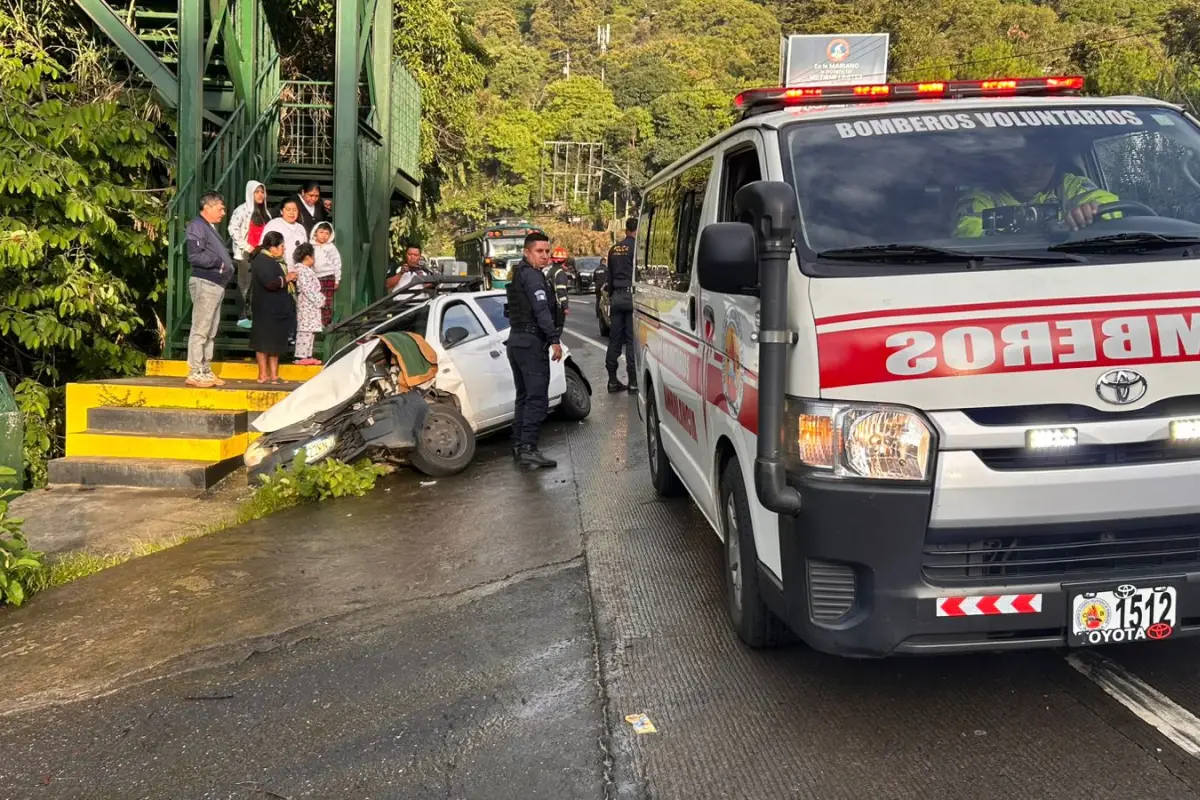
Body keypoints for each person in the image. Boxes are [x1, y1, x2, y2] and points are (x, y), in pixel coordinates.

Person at [953, 149, 1119, 238]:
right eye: (1027, 164)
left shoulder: (1068, 185)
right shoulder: (983, 196)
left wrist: (1092, 211)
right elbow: (966, 230)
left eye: (1046, 164)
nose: (1035, 172)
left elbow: (1108, 204)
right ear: (1007, 166)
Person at [506, 231, 563, 469]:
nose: (545, 256)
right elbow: (541, 310)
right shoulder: (533, 277)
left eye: (547, 251)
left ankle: (520, 445)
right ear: (527, 252)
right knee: (537, 398)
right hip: (530, 341)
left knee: (524, 396)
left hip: (516, 340)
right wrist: (554, 339)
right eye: (539, 252)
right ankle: (528, 447)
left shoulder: (519, 273)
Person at [185, 191, 235, 388]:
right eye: (221, 208)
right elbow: (195, 256)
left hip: (216, 283)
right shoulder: (197, 225)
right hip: (206, 281)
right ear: (208, 207)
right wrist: (218, 263)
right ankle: (195, 371)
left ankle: (205, 369)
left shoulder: (209, 227)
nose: (223, 212)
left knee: (211, 330)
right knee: (201, 328)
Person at [249, 231, 298, 384]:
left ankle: (274, 374)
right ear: (272, 247)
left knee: (275, 342)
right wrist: (286, 278)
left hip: (277, 307)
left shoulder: (275, 260)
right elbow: (269, 282)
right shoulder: (262, 260)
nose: (284, 249)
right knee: (263, 342)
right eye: (281, 246)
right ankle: (263, 374)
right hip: (265, 307)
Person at [227, 180, 272, 329]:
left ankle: (255, 314)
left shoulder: (266, 212)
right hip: (246, 253)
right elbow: (232, 229)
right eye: (257, 192)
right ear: (250, 193)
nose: (260, 195)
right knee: (244, 284)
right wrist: (246, 246)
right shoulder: (242, 210)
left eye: (262, 192)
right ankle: (242, 316)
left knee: (257, 285)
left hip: (261, 253)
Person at [603, 217, 638, 394]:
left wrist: (610, 296)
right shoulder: (637, 248)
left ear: (626, 230)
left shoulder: (614, 249)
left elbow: (608, 276)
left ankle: (612, 380)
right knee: (631, 340)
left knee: (615, 339)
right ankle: (633, 381)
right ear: (637, 230)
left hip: (616, 296)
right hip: (632, 296)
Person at [291, 243, 325, 366]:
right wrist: (319, 300)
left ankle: (307, 355)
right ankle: (300, 356)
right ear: (308, 257)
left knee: (310, 331)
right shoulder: (302, 271)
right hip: (307, 304)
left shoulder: (305, 270)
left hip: (310, 305)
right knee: (305, 331)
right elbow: (307, 289)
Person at [261, 199, 309, 270]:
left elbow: (305, 249)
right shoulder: (274, 224)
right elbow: (264, 246)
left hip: (298, 270)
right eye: (288, 209)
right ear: (281, 211)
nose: (291, 213)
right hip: (278, 268)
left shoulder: (300, 228)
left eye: (294, 210)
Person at [310, 221, 342, 327]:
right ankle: (316, 322)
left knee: (326, 302)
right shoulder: (311, 246)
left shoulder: (331, 247)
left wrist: (337, 279)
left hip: (328, 276)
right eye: (321, 232)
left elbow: (337, 263)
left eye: (327, 233)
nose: (324, 236)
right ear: (315, 233)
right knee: (315, 300)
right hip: (314, 277)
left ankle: (326, 323)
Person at [546, 249, 572, 320]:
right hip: (558, 306)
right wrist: (565, 307)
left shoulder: (550, 271)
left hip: (549, 304)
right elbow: (560, 291)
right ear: (564, 262)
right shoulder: (561, 274)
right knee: (558, 327)